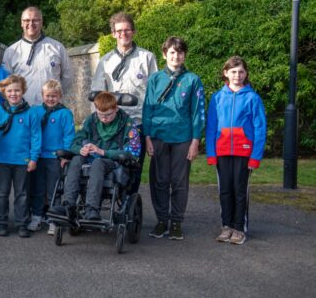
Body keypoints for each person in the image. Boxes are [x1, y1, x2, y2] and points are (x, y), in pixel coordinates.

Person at [143, 36, 205, 240]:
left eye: (179, 52)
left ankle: (176, 222)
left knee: (179, 181)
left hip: (182, 138)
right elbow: (148, 109)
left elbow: (198, 112)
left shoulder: (192, 80)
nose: (176, 55)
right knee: (159, 180)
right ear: (164, 54)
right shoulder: (155, 79)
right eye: (171, 52)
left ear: (184, 54)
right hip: (159, 136)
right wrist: (147, 137)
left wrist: (195, 141)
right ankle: (161, 221)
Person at [50, 92, 141, 221]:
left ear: (116, 109)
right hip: (90, 159)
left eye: (108, 115)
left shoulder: (128, 124)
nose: (104, 118)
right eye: (100, 114)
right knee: (76, 159)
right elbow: (75, 142)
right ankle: (68, 205)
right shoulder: (92, 120)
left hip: (114, 162)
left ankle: (91, 209)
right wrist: (80, 149)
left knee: (98, 163)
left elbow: (132, 153)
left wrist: (103, 152)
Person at [206, 56, 267, 246]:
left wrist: (255, 157)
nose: (237, 75)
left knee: (240, 191)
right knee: (225, 190)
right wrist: (211, 153)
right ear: (226, 73)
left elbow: (260, 128)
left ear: (246, 74)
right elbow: (210, 127)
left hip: (244, 152)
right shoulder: (217, 97)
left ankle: (239, 228)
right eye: (233, 71)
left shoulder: (252, 98)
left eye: (241, 72)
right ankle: (227, 226)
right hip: (222, 151)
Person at [0, 75, 40, 237]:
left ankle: (22, 223)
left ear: (23, 91)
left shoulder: (31, 113)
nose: (13, 94)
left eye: (17, 90)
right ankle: (1, 222)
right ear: (4, 92)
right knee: (0, 193)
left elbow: (36, 137)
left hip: (23, 160)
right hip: (2, 159)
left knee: (22, 194)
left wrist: (33, 158)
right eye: (10, 91)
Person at [91, 12, 158, 122]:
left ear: (133, 32)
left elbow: (155, 91)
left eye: (127, 30)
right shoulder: (105, 61)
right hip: (114, 121)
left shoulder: (147, 57)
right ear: (113, 34)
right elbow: (98, 93)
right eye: (119, 31)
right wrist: (97, 120)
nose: (123, 33)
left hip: (141, 120)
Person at [1, 7, 72, 106]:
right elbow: (7, 82)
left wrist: (55, 96)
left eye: (35, 20)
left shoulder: (57, 47)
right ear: (21, 23)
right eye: (26, 20)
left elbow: (67, 77)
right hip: (23, 111)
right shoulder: (11, 52)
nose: (31, 23)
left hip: (52, 109)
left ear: (41, 22)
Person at [33, 80, 75, 235]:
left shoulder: (64, 113)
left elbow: (69, 136)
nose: (50, 99)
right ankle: (37, 216)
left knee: (54, 189)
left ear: (60, 96)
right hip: (39, 156)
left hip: (55, 157)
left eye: (54, 96)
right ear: (42, 96)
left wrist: (65, 155)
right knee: (38, 188)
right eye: (47, 96)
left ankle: (54, 219)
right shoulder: (36, 112)